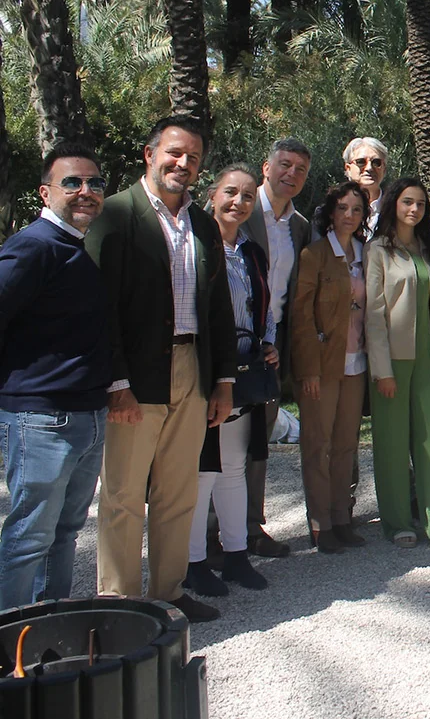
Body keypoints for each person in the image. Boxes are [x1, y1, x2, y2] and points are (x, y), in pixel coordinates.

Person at [87, 116, 237, 623]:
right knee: (124, 494)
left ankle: (169, 593)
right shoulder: (115, 214)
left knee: (178, 491)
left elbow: (218, 307)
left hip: (192, 368)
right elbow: (100, 308)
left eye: (193, 157)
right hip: (135, 375)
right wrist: (117, 382)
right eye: (174, 153)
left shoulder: (202, 224)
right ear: (150, 155)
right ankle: (120, 605)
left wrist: (223, 381)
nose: (183, 164)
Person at [0, 143, 111, 609]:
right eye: (72, 182)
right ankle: (10, 642)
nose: (86, 191)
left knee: (64, 533)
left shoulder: (73, 248)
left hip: (87, 415)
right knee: (29, 539)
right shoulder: (33, 247)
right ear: (45, 193)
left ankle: (48, 629)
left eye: (95, 183)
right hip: (42, 420)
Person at [184, 165, 275, 597]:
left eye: (247, 196)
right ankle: (194, 562)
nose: (238, 202)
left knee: (234, 468)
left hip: (245, 370)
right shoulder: (195, 245)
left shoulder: (251, 251)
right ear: (212, 194)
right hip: (205, 370)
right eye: (231, 192)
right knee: (203, 471)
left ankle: (237, 556)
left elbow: (265, 305)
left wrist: (268, 342)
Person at [366, 178, 430, 551]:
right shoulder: (377, 250)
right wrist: (382, 370)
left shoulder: (426, 250)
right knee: (391, 443)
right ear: (394, 204)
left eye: (421, 204)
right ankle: (396, 522)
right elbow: (373, 314)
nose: (414, 209)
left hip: (426, 360)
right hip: (391, 361)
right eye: (408, 202)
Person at [239, 137, 312, 560]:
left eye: (300, 169)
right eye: (285, 165)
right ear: (266, 168)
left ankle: (250, 527)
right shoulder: (241, 209)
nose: (292, 174)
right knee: (221, 438)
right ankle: (209, 534)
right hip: (235, 340)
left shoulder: (299, 226)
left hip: (273, 343)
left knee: (259, 438)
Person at [291, 182, 370, 553]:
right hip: (322, 365)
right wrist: (308, 369)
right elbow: (301, 316)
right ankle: (320, 523)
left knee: (345, 445)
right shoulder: (315, 255)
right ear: (330, 212)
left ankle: (342, 517)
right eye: (342, 208)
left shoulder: (367, 254)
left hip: (357, 362)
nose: (349, 215)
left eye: (356, 209)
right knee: (317, 444)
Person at [344, 137, 389, 230]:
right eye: (361, 162)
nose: (369, 168)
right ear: (348, 169)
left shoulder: (396, 209)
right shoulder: (331, 211)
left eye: (376, 162)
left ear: (384, 169)